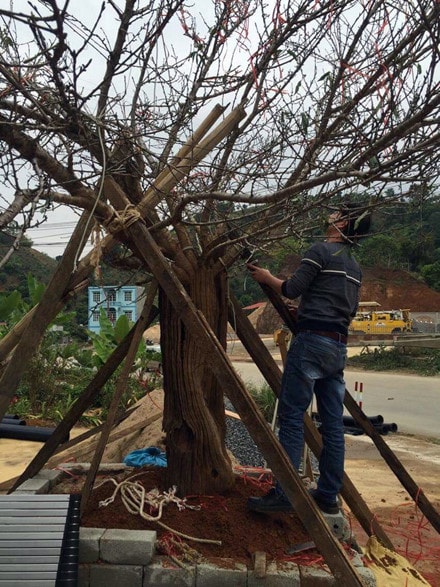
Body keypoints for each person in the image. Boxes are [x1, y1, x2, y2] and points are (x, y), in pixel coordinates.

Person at [246, 203, 371, 515]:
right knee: (331, 426)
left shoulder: (320, 251)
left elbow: (292, 287)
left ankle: (284, 495)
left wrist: (266, 277)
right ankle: (328, 494)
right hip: (337, 347)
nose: (330, 215)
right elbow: (347, 310)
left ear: (343, 224)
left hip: (312, 341)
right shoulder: (354, 267)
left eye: (337, 213)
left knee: (291, 418)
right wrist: (305, 311)